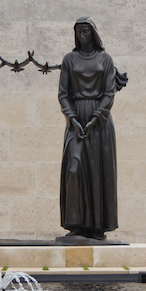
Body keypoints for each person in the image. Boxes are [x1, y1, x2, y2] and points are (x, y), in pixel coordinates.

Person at [58, 17, 118, 240]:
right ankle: (76, 223)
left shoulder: (106, 59)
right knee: (74, 167)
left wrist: (95, 119)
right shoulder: (69, 60)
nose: (83, 36)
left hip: (100, 120)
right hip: (75, 118)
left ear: (93, 32)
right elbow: (63, 94)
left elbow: (109, 93)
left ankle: (97, 226)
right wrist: (72, 118)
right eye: (79, 32)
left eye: (86, 32)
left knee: (98, 171)